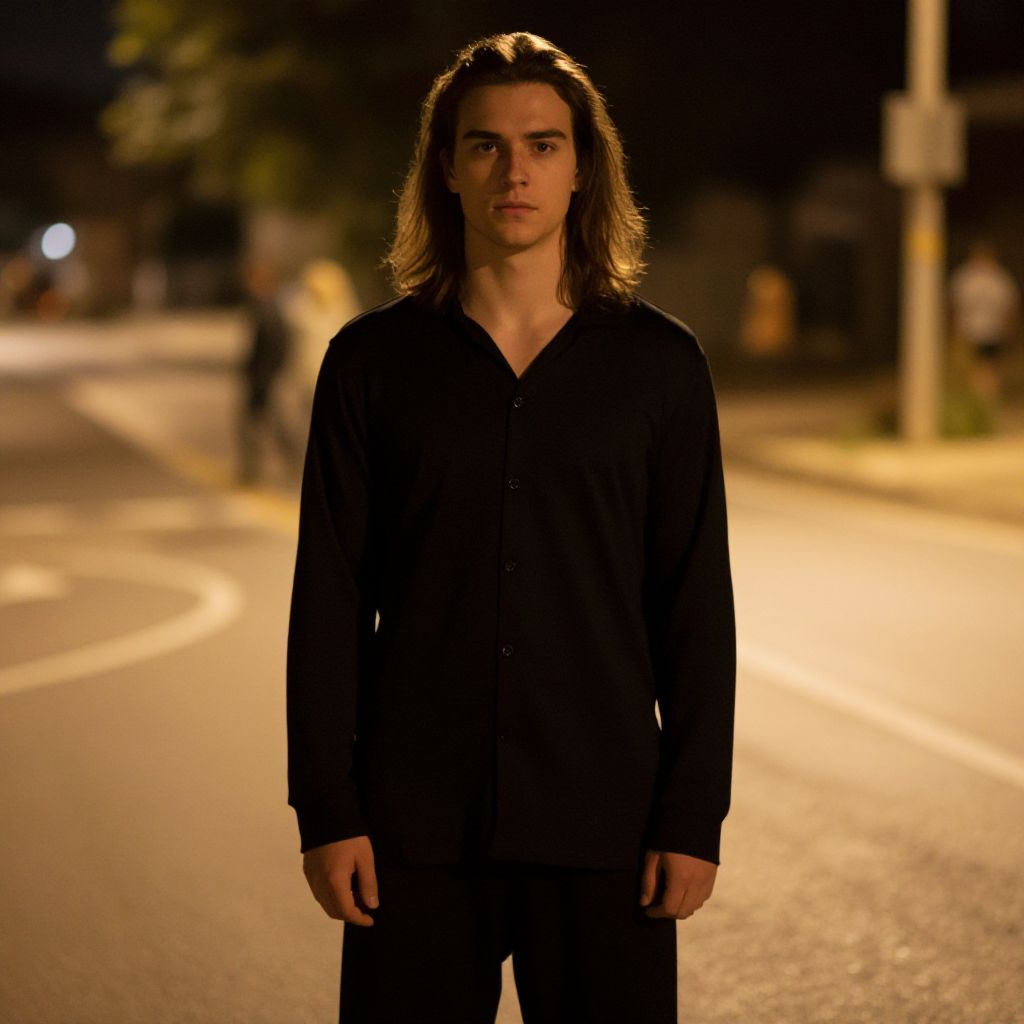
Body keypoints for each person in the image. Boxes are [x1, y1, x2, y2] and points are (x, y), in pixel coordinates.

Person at [287, 32, 735, 1023]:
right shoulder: (369, 364)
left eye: (542, 144)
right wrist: (327, 805)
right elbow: (327, 597)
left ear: (583, 167)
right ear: (447, 168)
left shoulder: (660, 368)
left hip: (606, 831)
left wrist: (692, 813)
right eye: (485, 145)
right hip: (412, 833)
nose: (514, 169)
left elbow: (694, 604)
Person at [949, 240, 1020, 403]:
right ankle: (981, 398)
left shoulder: (994, 279)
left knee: (985, 367)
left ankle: (983, 399)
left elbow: (1009, 308)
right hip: (972, 331)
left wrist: (1009, 328)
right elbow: (954, 306)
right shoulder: (994, 279)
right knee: (980, 368)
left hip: (988, 331)